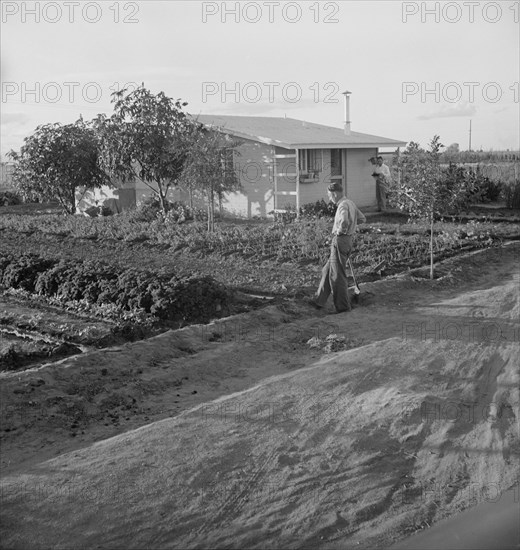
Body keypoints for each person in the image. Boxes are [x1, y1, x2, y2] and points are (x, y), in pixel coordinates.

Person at [312, 182, 366, 313]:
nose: (329, 198)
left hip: (341, 240)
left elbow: (345, 221)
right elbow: (362, 219)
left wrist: (341, 231)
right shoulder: (350, 203)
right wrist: (351, 227)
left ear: (335, 194)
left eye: (330, 196)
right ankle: (319, 300)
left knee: (337, 275)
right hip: (348, 240)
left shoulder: (342, 205)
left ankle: (343, 307)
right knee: (327, 270)